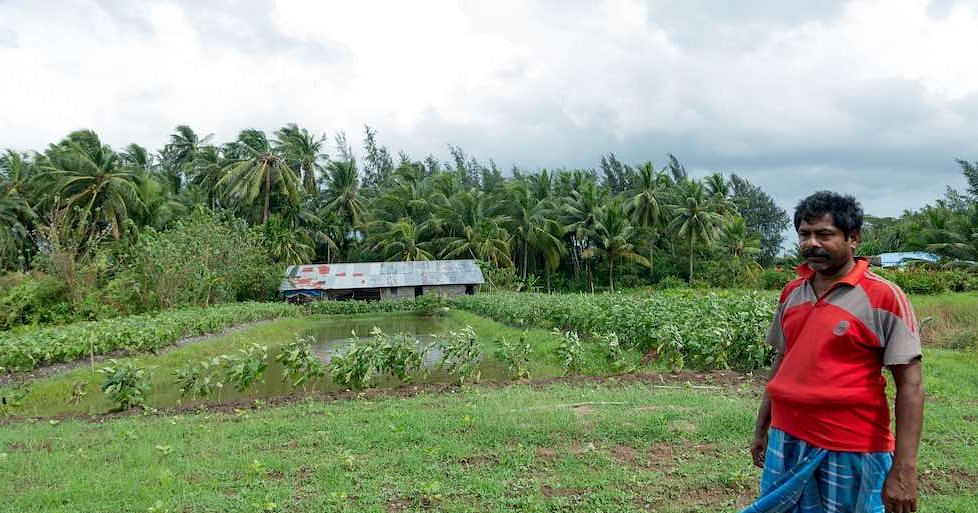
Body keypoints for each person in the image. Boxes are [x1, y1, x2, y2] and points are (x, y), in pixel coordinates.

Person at [742, 191, 924, 513]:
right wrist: (762, 427)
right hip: (787, 438)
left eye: (824, 235)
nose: (812, 243)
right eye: (804, 234)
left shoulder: (883, 297)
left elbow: (910, 386)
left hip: (851, 445)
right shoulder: (792, 293)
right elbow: (784, 362)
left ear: (853, 238)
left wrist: (904, 469)